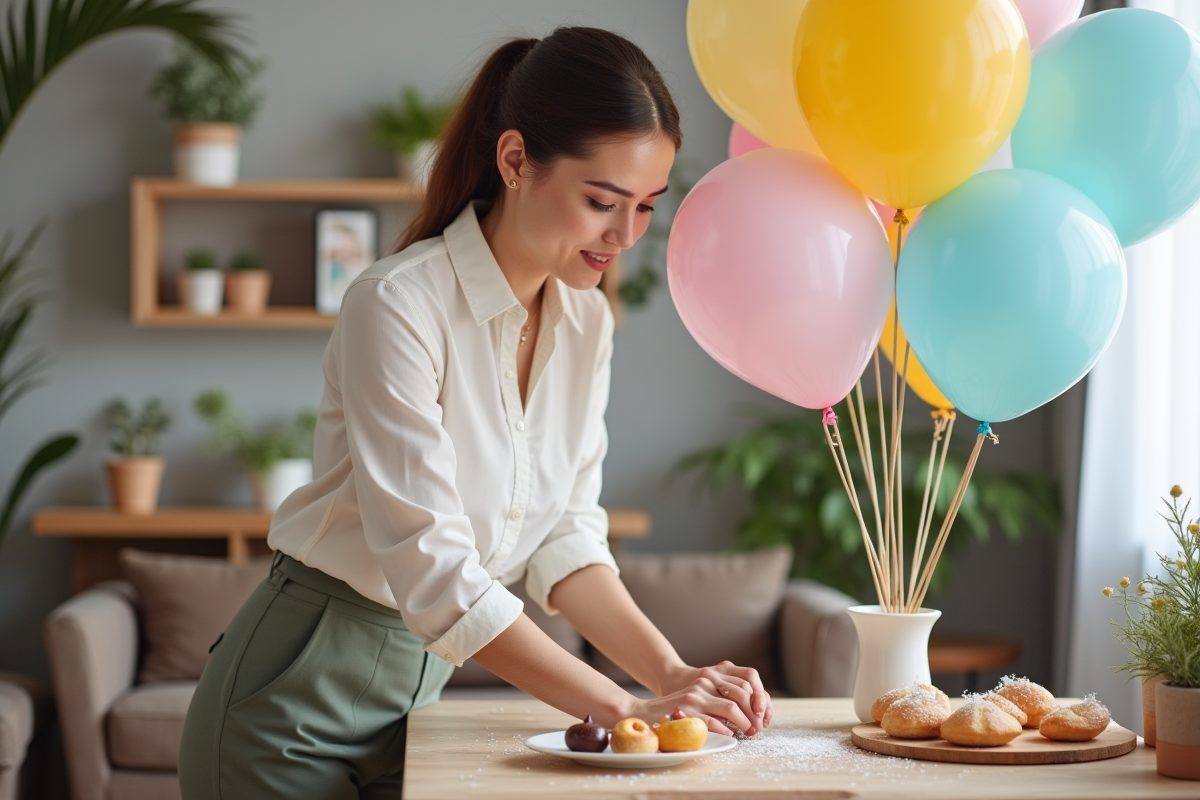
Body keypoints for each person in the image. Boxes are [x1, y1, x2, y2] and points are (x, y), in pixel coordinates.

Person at [179, 26, 772, 799]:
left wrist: (674, 672)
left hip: (411, 703)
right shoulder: (396, 306)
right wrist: (632, 710)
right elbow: (437, 573)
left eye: (647, 207)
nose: (625, 237)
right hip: (289, 700)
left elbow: (565, 534)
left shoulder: (586, 323)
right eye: (602, 202)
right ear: (516, 160)